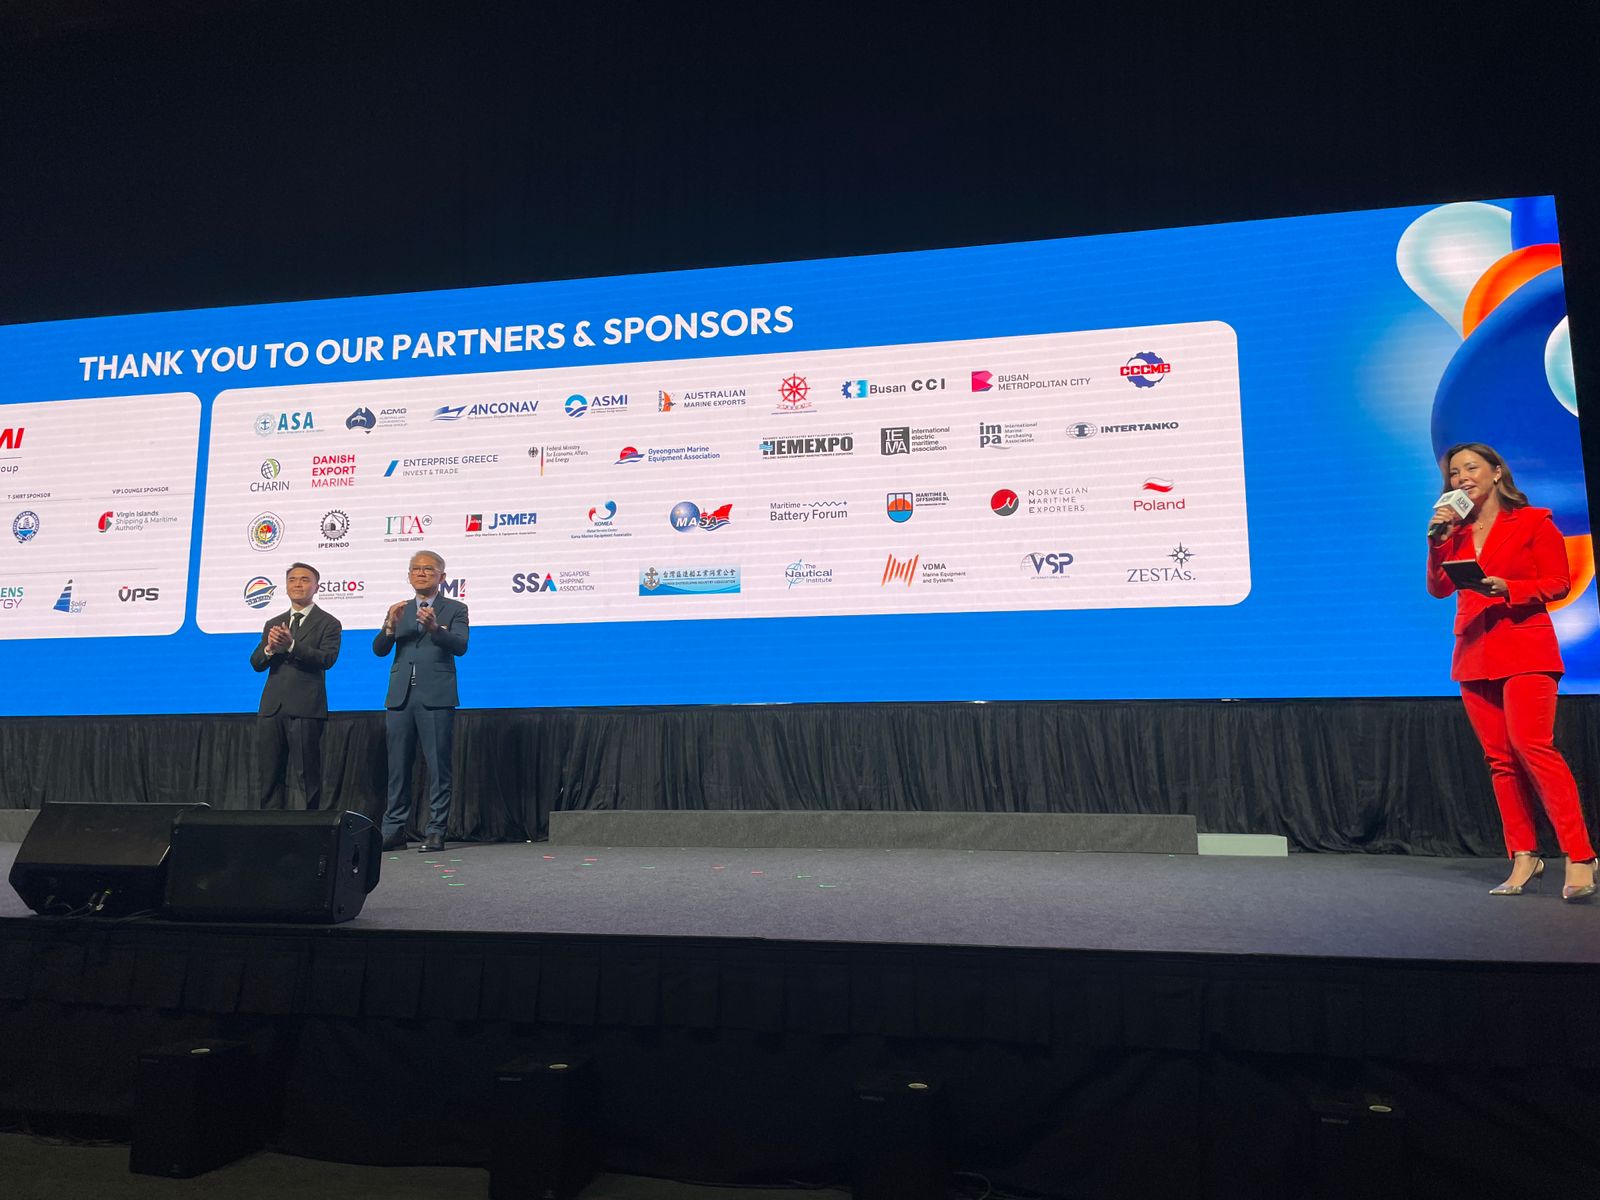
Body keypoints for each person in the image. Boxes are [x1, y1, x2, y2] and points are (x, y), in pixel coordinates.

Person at [1427, 442, 1597, 901]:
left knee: (1532, 747)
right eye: (1454, 472)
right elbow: (1439, 588)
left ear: (1497, 472)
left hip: (1525, 646)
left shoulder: (1534, 521)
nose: (1462, 477)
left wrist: (1509, 587)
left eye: (1471, 468)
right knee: (1499, 760)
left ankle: (1580, 855)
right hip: (1474, 649)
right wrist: (1437, 542)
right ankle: (1524, 855)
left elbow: (1558, 583)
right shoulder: (1455, 530)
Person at [373, 549, 469, 852]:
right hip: (400, 698)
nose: (421, 573)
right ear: (409, 576)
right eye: (416, 568)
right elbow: (379, 649)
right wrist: (389, 627)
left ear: (442, 576)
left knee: (439, 767)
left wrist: (434, 629)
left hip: (436, 696)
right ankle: (393, 830)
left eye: (428, 569)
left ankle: (436, 830)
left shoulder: (455, 608)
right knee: (397, 768)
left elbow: (460, 646)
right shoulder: (399, 609)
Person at [250, 561, 342, 811]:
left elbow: (327, 659)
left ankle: (309, 825)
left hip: (306, 708)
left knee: (307, 776)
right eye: (292, 580)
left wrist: (291, 646)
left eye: (304, 580)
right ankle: (270, 825)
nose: (297, 584)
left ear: (317, 587)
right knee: (269, 775)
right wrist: (270, 648)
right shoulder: (274, 622)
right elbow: (256, 663)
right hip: (272, 708)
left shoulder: (329, 623)